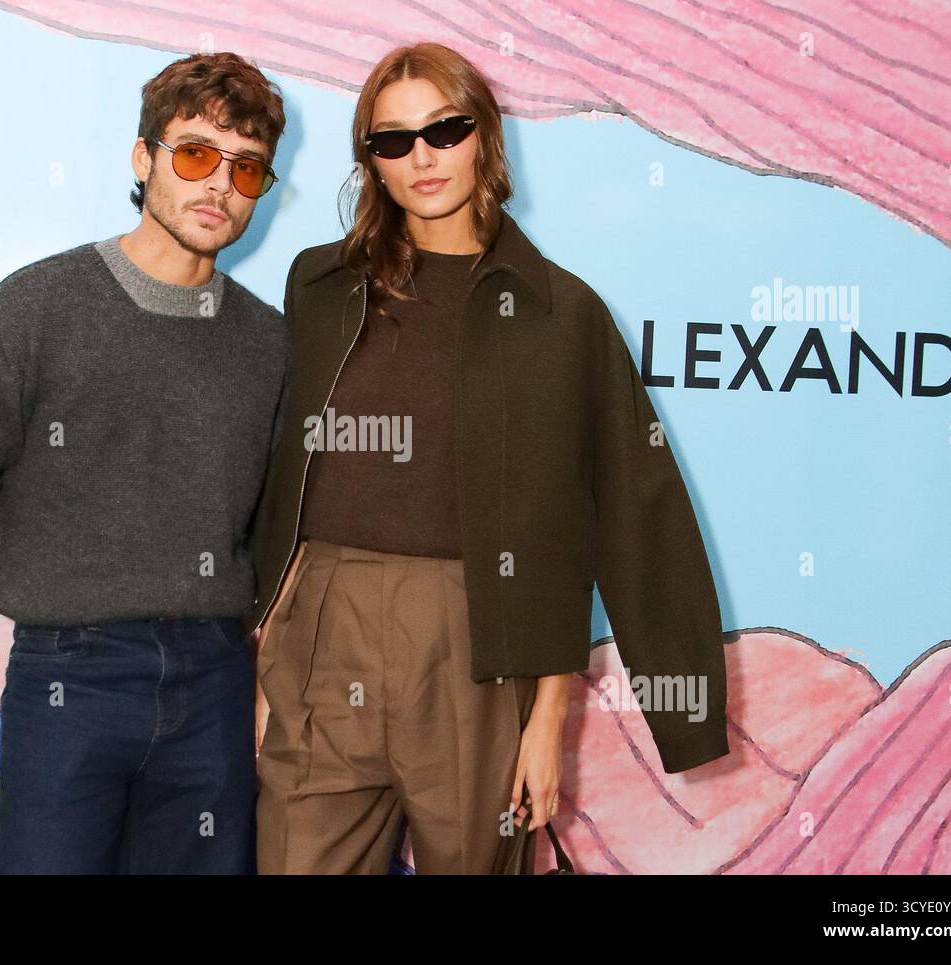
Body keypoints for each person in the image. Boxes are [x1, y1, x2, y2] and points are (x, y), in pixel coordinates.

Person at [246, 42, 730, 875]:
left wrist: (548, 720)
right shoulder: (318, 286)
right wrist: (265, 652)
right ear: (371, 163)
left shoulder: (561, 312)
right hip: (324, 632)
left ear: (485, 134)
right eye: (392, 141)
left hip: (478, 638)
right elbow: (277, 470)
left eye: (444, 128)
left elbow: (625, 513)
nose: (422, 156)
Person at [0, 52, 289, 874]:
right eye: (194, 155)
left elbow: (282, 522)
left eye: (245, 167)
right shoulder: (39, 305)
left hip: (214, 679)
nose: (219, 185)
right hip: (68, 678)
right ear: (142, 159)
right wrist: (48, 595)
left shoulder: (269, 342)